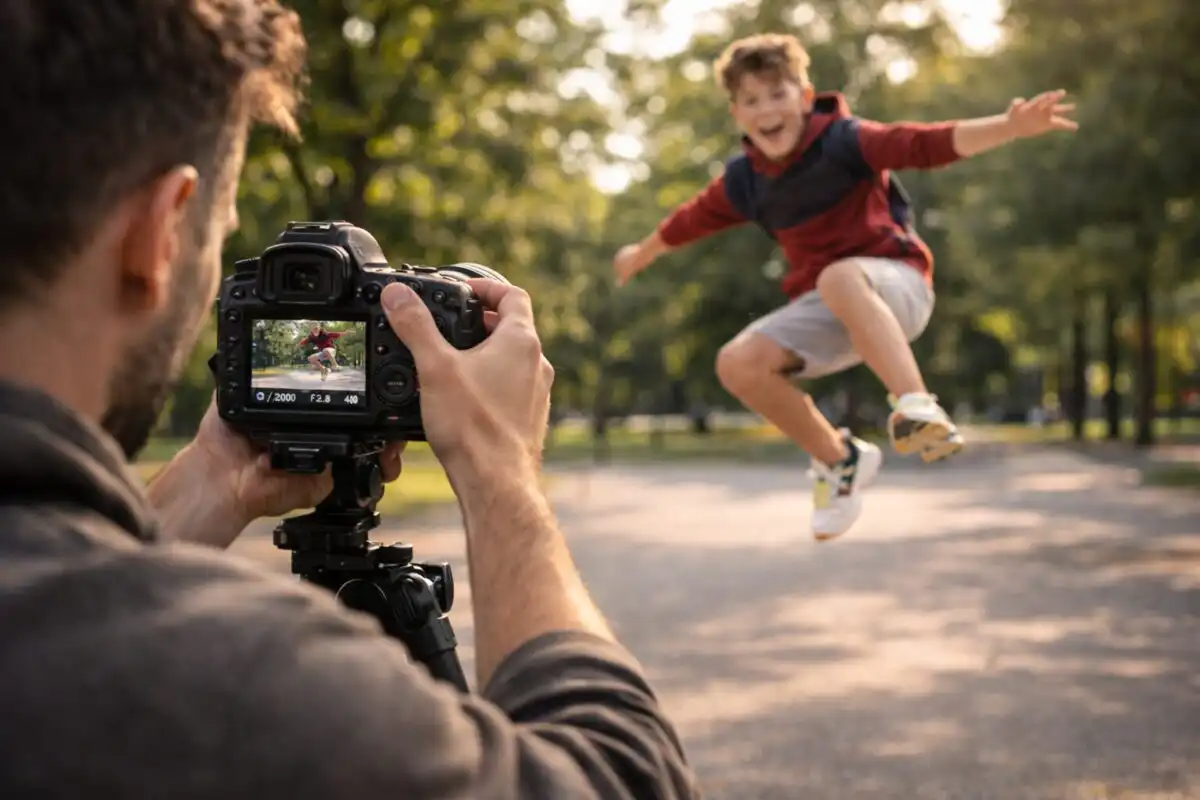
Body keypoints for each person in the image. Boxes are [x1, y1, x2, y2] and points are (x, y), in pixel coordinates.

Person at [0, 3, 699, 798]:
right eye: (216, 232)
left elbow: (62, 612)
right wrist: (499, 466)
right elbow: (617, 779)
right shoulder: (245, 684)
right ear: (159, 235)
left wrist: (211, 486)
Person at [612, 32, 1076, 540]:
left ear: (806, 98)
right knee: (737, 363)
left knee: (838, 275)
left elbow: (925, 143)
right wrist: (641, 252)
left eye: (777, 94)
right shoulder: (745, 181)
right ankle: (839, 460)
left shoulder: (844, 140)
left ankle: (915, 402)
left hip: (898, 287)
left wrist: (1008, 127)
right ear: (737, 114)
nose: (767, 110)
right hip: (832, 306)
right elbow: (690, 219)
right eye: (751, 100)